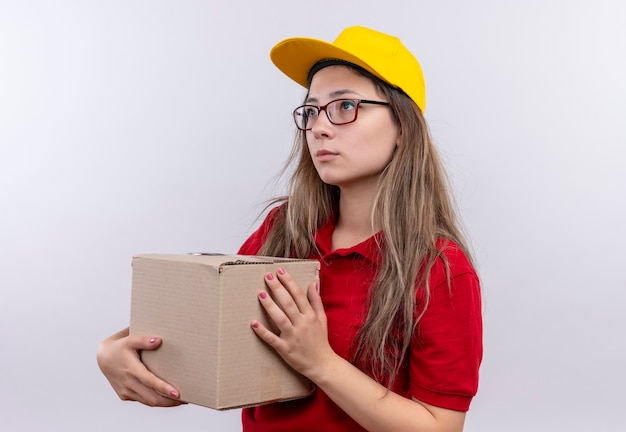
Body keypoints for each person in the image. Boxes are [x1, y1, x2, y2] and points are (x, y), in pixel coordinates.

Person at [97, 26, 483, 432]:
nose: (319, 127)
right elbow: (216, 332)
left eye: (345, 106)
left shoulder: (440, 269)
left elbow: (440, 426)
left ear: (403, 128)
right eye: (312, 110)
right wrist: (116, 351)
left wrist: (320, 363)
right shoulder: (282, 230)